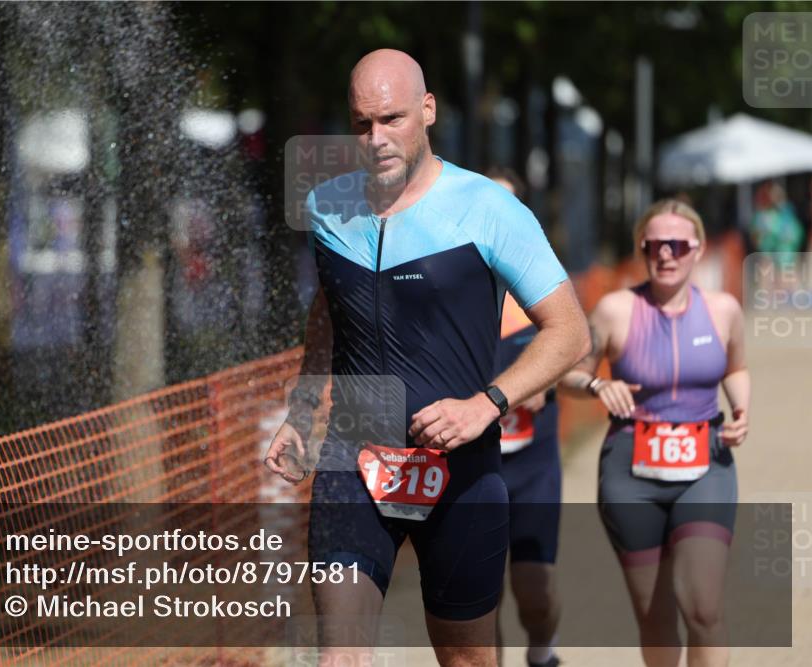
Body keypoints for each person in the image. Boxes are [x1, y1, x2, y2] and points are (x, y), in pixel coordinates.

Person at [264, 49, 590, 667]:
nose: (377, 139)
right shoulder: (327, 206)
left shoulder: (488, 208)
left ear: (428, 111)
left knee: (466, 659)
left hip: (459, 469)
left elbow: (570, 332)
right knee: (339, 657)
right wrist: (303, 409)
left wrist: (486, 405)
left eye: (393, 119)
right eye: (363, 124)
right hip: (353, 458)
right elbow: (329, 312)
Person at [560, 199, 749, 667]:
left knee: (702, 604)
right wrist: (601, 384)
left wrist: (742, 406)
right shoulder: (615, 309)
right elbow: (568, 373)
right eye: (655, 245)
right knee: (655, 615)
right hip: (631, 471)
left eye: (678, 245)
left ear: (698, 249)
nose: (666, 254)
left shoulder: (724, 309)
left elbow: (737, 368)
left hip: (706, 463)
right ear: (641, 248)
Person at [487, 167, 562, 667]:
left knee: (534, 593)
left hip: (531, 461)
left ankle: (542, 651)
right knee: (476, 599)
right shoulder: (447, 280)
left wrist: (550, 377)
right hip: (471, 463)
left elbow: (580, 342)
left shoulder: (540, 279)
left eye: (507, 206)